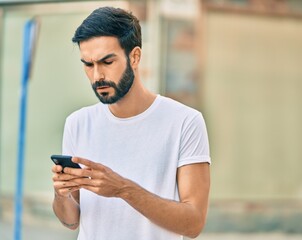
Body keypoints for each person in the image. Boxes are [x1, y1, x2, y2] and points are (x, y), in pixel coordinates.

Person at [51, 6, 211, 240]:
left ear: (134, 56)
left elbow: (194, 223)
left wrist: (123, 189)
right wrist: (61, 194)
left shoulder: (185, 122)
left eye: (107, 62)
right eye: (88, 64)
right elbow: (71, 220)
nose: (97, 76)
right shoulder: (77, 123)